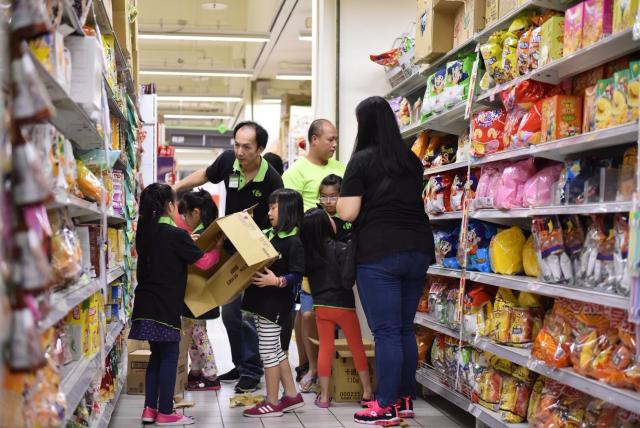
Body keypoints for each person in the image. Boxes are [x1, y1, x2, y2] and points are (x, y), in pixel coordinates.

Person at [337, 96, 435, 426]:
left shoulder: (362, 160)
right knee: (404, 328)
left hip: (380, 251)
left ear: (363, 124)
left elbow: (348, 212)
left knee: (387, 332)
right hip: (418, 248)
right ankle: (404, 399)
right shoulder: (411, 160)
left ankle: (385, 404)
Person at [173, 121, 283, 393]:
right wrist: (175, 187)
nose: (240, 151)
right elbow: (205, 174)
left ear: (260, 148)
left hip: (255, 254)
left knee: (246, 314)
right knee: (230, 313)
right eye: (237, 145)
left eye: (247, 147)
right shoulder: (228, 162)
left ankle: (251, 370)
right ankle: (241, 363)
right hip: (231, 249)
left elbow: (278, 216)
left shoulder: (271, 180)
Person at [129, 183, 221, 426]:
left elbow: (165, 252)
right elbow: (205, 263)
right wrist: (219, 247)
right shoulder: (176, 235)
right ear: (170, 206)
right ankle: (166, 412)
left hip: (144, 306)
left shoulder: (145, 234)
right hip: (165, 307)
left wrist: (187, 241)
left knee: (156, 357)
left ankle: (149, 409)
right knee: (169, 356)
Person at [283, 119, 345, 391]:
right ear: (314, 140)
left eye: (336, 139)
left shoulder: (341, 168)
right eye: (330, 139)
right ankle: (306, 364)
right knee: (306, 313)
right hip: (308, 253)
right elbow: (288, 212)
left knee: (332, 311)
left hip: (338, 251)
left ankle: (328, 365)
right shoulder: (296, 171)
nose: (334, 144)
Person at [242, 189, 305, 417]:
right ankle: (291, 395)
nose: (269, 213)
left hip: (275, 304)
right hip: (262, 303)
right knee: (276, 350)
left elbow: (297, 274)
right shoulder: (271, 236)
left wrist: (276, 281)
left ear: (287, 210)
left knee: (268, 352)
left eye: (273, 208)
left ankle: (272, 401)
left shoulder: (294, 241)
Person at [301, 208, 373, 408]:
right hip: (344, 305)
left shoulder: (308, 254)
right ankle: (367, 392)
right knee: (356, 346)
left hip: (321, 306)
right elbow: (349, 276)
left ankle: (324, 397)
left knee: (325, 348)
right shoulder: (341, 248)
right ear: (325, 224)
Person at [178, 189, 221, 391]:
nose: (184, 219)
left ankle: (211, 375)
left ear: (196, 212)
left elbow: (204, 262)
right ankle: (195, 371)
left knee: (198, 333)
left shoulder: (204, 235)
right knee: (191, 332)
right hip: (195, 293)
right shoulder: (204, 232)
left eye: (186, 215)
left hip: (198, 294)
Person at [318, 174, 352, 242]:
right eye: (323, 196)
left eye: (333, 197)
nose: (328, 201)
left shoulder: (351, 216)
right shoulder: (315, 218)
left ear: (342, 195)